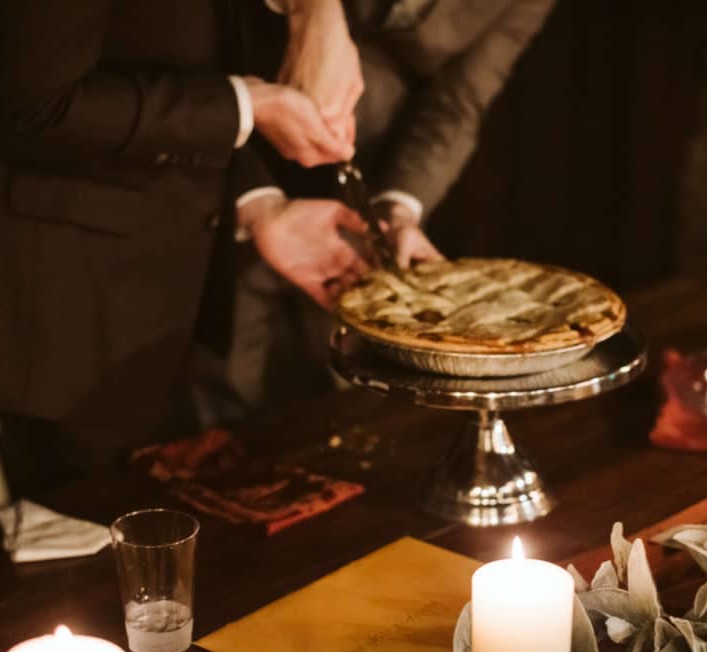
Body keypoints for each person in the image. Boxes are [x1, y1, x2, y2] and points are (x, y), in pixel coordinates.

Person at [0, 0, 409, 494]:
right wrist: (243, 106)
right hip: (60, 314)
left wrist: (260, 204)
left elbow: (162, 58)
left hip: (167, 302)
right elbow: (27, 106)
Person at [208, 0, 559, 415]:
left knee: (340, 403)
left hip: (366, 190)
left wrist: (399, 208)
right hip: (217, 158)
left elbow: (459, 101)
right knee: (217, 398)